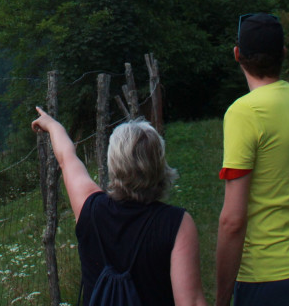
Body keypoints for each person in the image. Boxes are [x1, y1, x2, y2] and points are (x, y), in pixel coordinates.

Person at [215, 13, 289, 306]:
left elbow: (233, 220)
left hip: (268, 279)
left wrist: (221, 299)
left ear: (237, 54)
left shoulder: (244, 113)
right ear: (283, 53)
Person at [31, 107, 207, 306]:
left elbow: (66, 158)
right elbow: (191, 302)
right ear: (159, 163)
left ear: (113, 164)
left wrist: (52, 126)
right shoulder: (176, 224)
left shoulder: (91, 209)